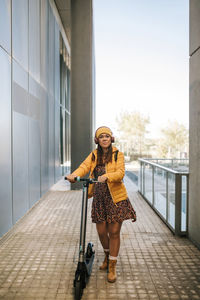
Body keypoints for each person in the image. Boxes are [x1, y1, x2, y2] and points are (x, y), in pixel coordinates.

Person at [65, 126, 137, 283]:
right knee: (102, 231)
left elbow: (120, 173)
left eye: (107, 136)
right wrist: (74, 175)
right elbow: (84, 167)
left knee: (115, 231)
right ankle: (106, 255)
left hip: (116, 199)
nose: (104, 138)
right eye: (101, 136)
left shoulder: (118, 154)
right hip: (99, 198)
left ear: (111, 138)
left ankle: (112, 266)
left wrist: (108, 176)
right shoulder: (94, 155)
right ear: (97, 140)